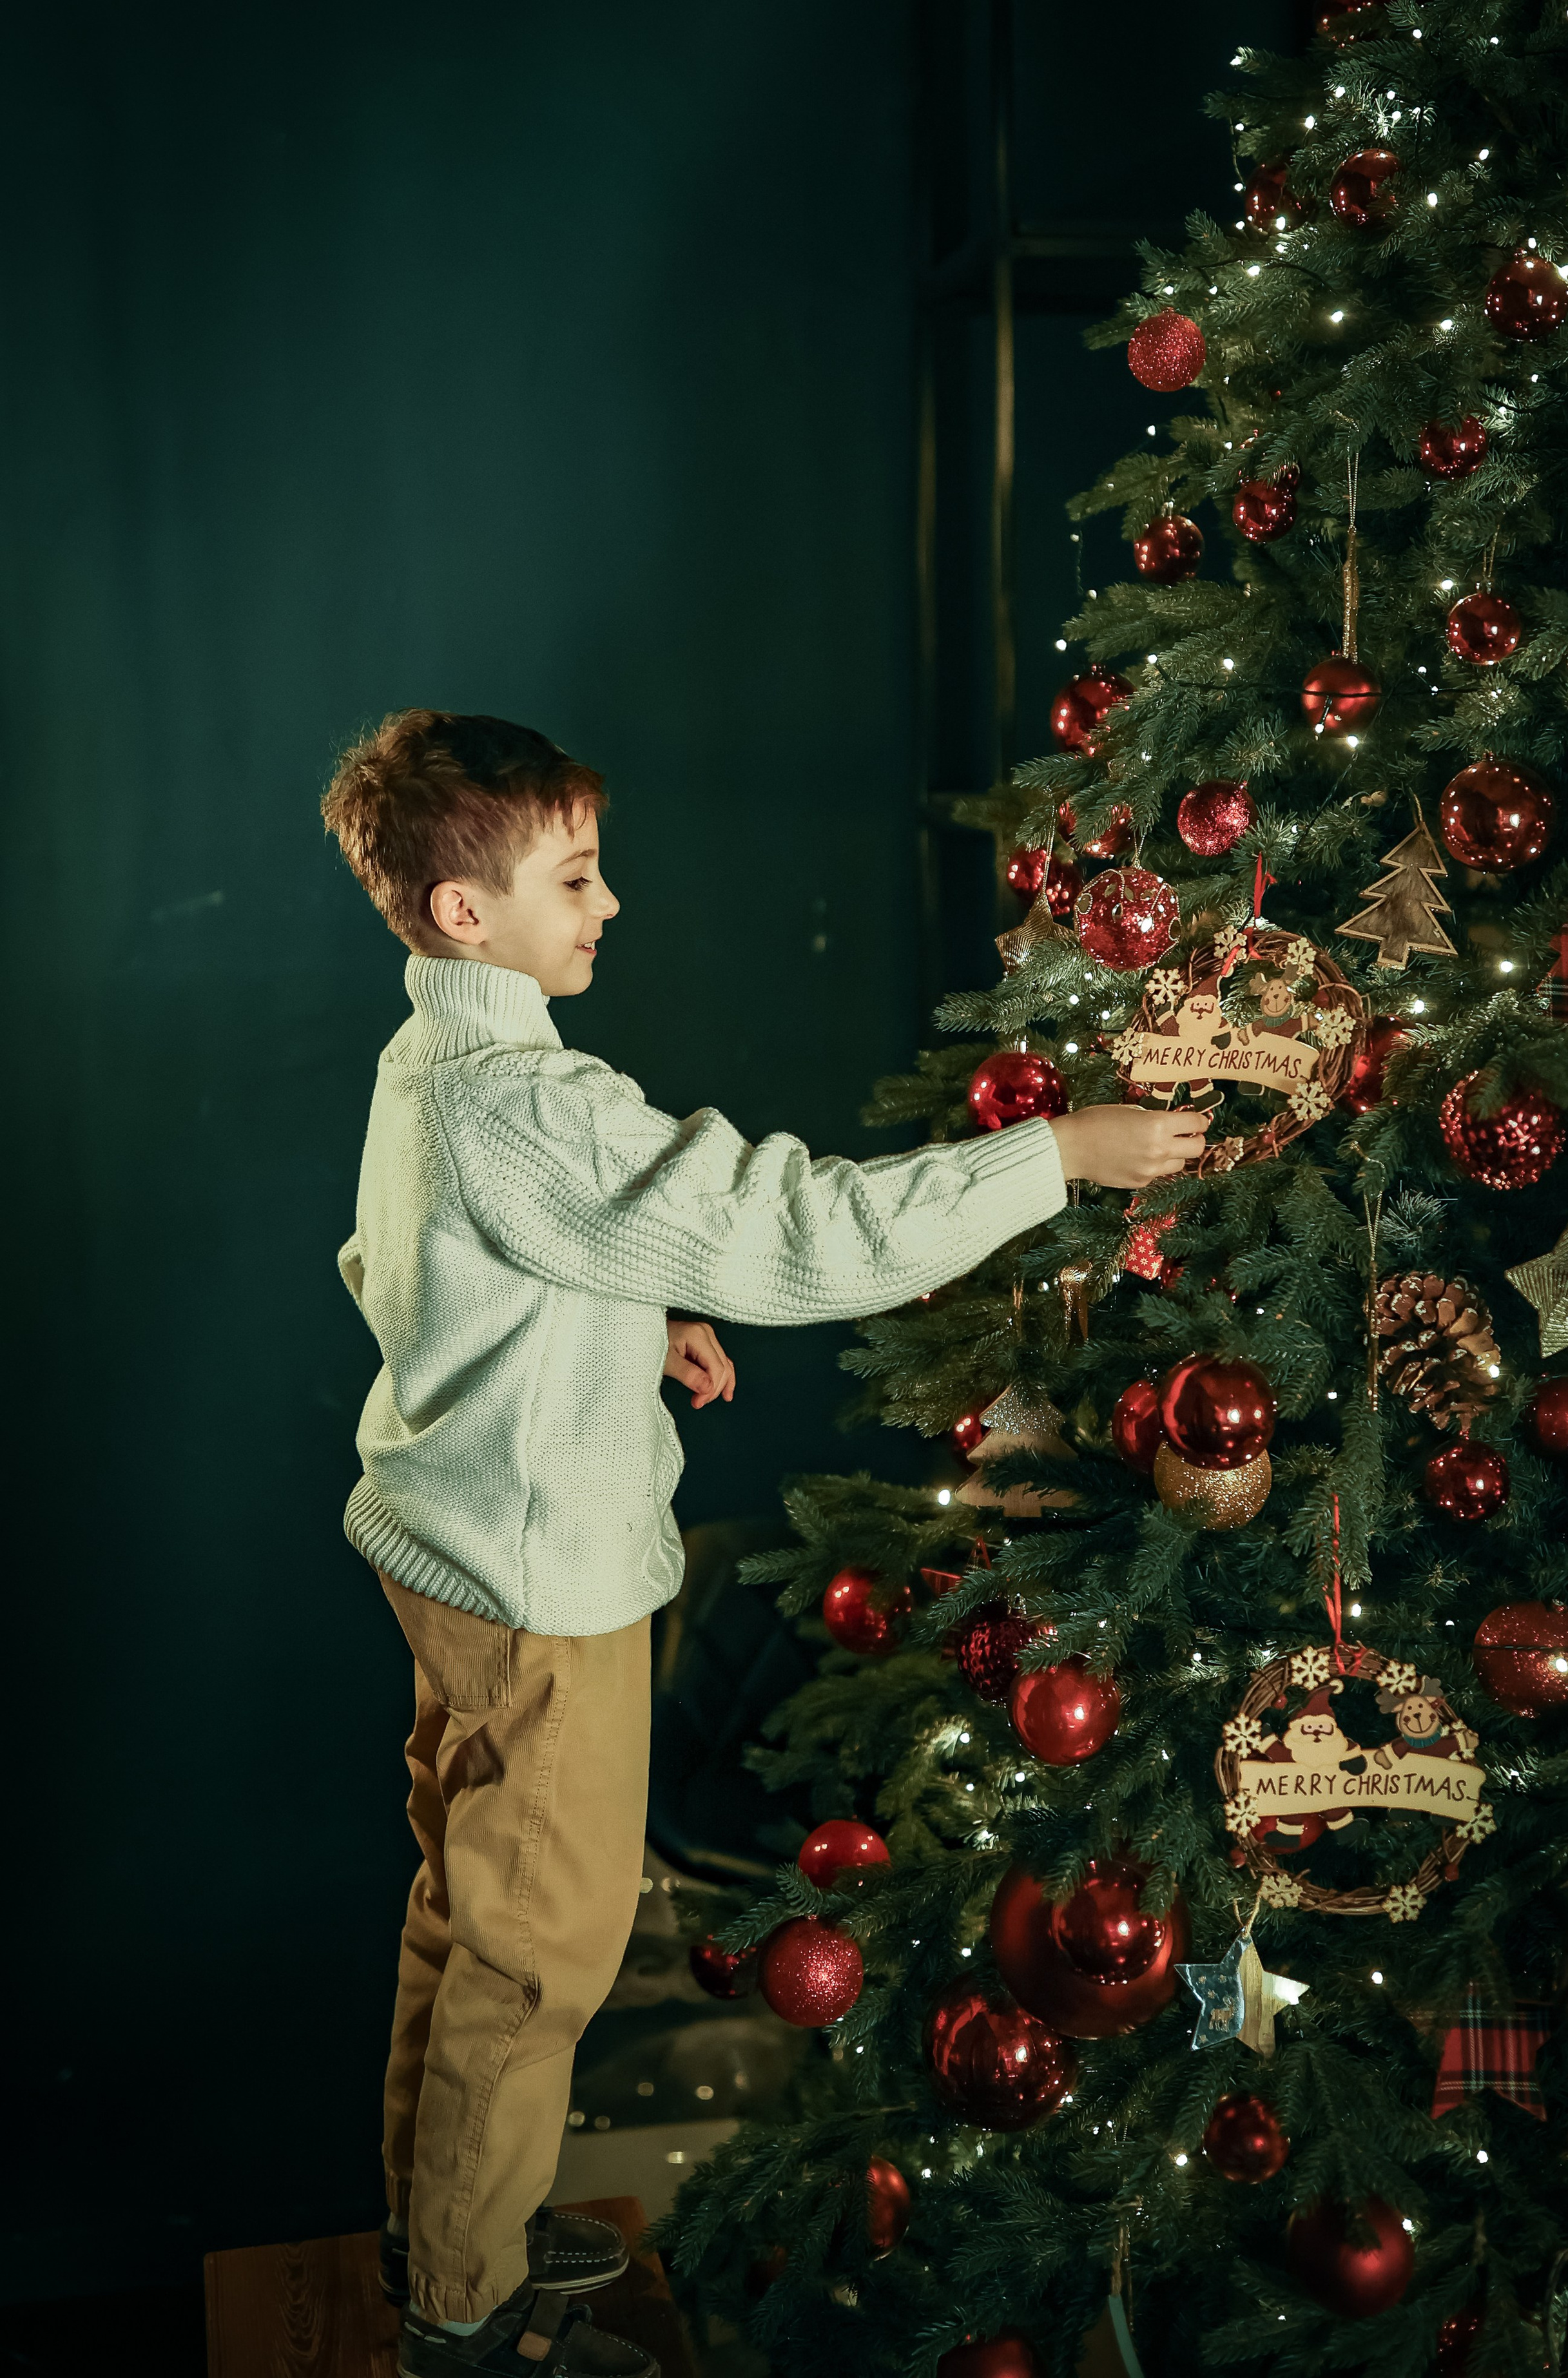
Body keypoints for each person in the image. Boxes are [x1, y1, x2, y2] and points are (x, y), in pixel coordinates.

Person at [320, 710, 1210, 2376]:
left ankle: (449, 2217)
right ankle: (461, 2307)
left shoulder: (427, 1066)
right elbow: (788, 1229)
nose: (610, 904)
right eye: (576, 877)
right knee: (545, 1950)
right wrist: (1054, 1157)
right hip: (537, 1583)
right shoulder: (535, 1100)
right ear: (466, 915)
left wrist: (617, 1322)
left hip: (442, 1547)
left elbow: (414, 1271)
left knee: (465, 1910)